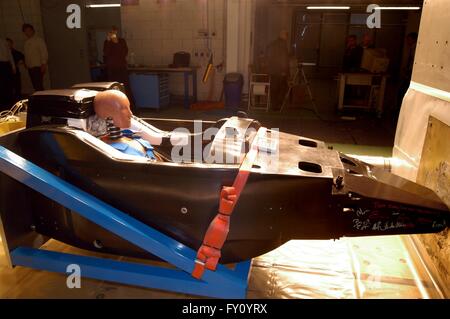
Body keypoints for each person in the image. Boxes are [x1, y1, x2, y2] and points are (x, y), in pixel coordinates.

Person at [265, 30, 290, 111]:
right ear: (284, 35)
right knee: (281, 89)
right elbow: (283, 59)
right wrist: (284, 71)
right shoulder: (283, 45)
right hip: (280, 71)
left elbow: (268, 56)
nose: (287, 37)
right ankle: (278, 106)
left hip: (273, 70)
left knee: (274, 89)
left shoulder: (273, 44)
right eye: (287, 35)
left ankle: (273, 105)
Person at [396, 32, 418, 120]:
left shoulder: (416, 49)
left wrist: (408, 71)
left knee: (403, 92)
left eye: (408, 39)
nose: (407, 41)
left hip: (411, 74)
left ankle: (402, 112)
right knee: (401, 92)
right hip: (408, 73)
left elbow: (413, 62)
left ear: (413, 39)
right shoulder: (411, 49)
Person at [23, 23, 48, 92]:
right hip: (30, 67)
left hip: (38, 66)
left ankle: (42, 99)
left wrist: (43, 64)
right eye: (25, 31)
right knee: (35, 85)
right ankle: (39, 99)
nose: (27, 32)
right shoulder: (26, 43)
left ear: (33, 31)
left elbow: (44, 52)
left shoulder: (39, 40)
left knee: (38, 85)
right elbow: (27, 55)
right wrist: (26, 63)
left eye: (29, 30)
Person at [0, 38, 16, 110]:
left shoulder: (4, 41)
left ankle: (9, 102)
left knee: (8, 83)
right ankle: (3, 102)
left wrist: (13, 66)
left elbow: (9, 54)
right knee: (1, 84)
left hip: (6, 64)